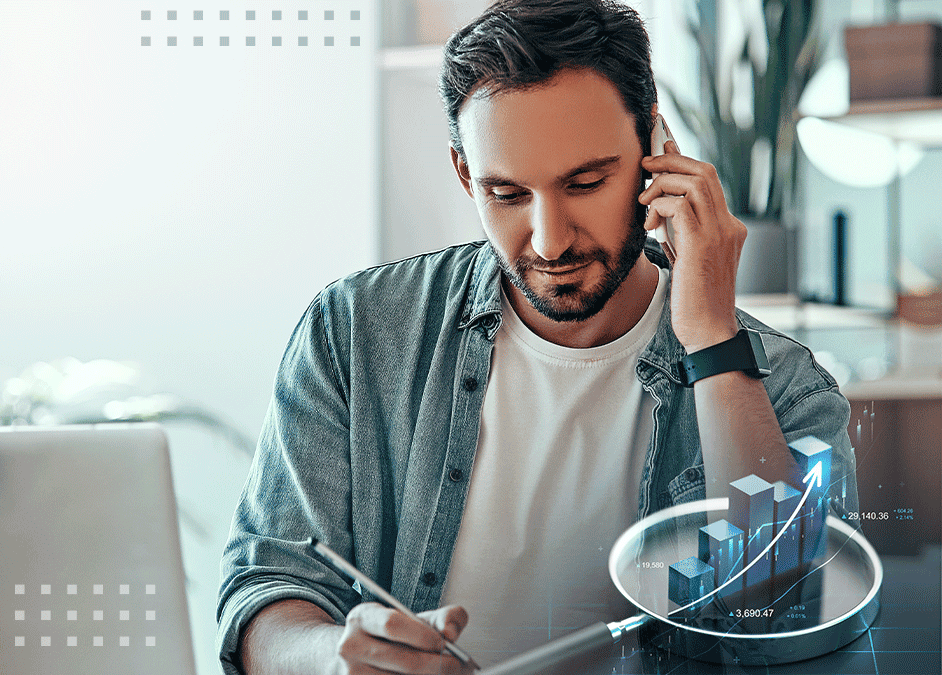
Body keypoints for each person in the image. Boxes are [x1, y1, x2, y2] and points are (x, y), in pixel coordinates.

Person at [217, 0, 859, 673]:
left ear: (655, 154)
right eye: (507, 192)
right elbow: (265, 592)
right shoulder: (354, 332)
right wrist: (332, 661)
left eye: (585, 183)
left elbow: (789, 615)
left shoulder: (784, 386)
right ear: (465, 173)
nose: (550, 240)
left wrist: (711, 339)